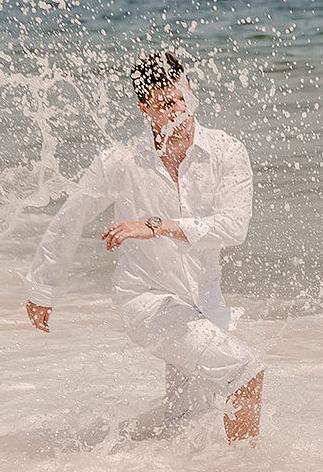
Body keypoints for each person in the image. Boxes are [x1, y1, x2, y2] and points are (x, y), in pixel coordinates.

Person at [24, 52, 264, 443]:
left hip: (205, 303)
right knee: (245, 370)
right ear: (144, 108)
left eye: (183, 97)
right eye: (166, 104)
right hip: (146, 300)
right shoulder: (120, 161)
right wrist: (43, 289)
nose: (180, 110)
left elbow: (233, 227)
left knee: (188, 424)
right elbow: (71, 217)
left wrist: (158, 227)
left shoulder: (226, 151)